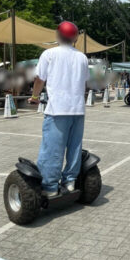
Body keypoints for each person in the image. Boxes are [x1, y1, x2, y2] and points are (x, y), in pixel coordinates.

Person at [28, 21, 88, 197]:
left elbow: (40, 79)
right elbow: (83, 83)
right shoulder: (82, 57)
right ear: (75, 37)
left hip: (57, 110)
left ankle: (50, 187)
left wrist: (34, 97)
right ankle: (70, 182)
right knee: (74, 148)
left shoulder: (49, 54)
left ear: (57, 35)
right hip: (77, 110)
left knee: (52, 149)